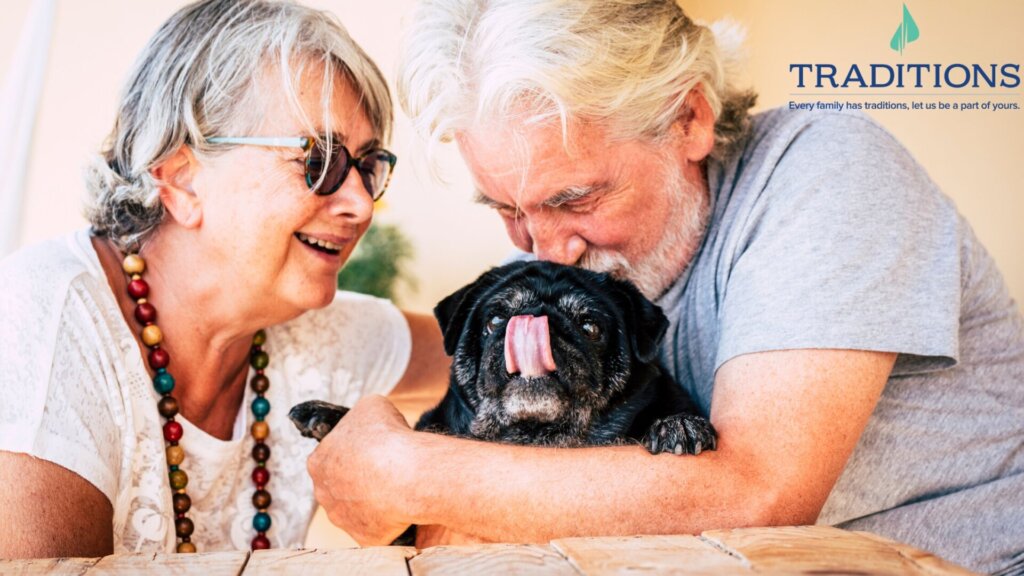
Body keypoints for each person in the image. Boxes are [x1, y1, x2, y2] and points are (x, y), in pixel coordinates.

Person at [305, 1, 1024, 573]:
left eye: (577, 200)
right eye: (507, 209)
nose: (547, 249)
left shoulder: (828, 171)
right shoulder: (586, 284)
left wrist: (414, 473)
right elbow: (454, 364)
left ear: (689, 117)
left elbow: (757, 495)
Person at [0, 0, 448, 558]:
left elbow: (491, 355)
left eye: (368, 166)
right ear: (183, 181)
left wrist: (428, 472)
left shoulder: (316, 335)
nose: (360, 204)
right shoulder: (38, 325)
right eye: (320, 160)